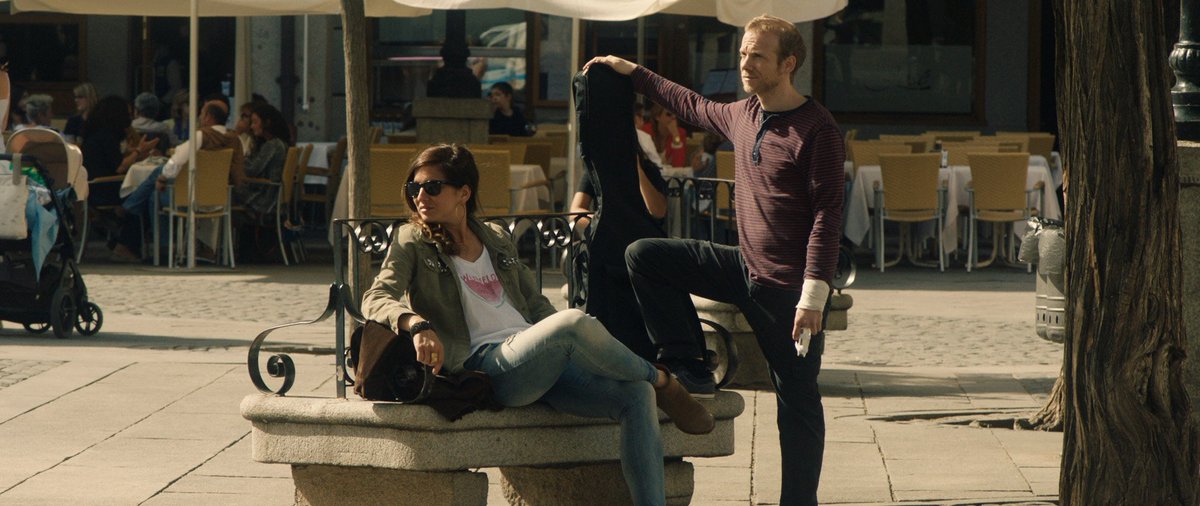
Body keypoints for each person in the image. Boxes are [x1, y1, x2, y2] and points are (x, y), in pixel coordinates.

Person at [361, 143, 714, 506]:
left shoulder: (496, 238)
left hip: (538, 359)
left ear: (463, 192)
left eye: (432, 187)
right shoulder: (413, 241)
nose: (420, 196)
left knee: (636, 395)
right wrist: (415, 324)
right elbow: (375, 297)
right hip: (488, 366)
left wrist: (565, 342)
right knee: (573, 322)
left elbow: (535, 305)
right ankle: (663, 380)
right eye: (414, 187)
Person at [587, 14, 845, 506]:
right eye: (743, 53)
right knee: (645, 255)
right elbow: (690, 103)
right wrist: (633, 71)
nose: (745, 63)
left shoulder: (818, 131)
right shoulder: (742, 114)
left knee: (797, 401)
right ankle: (690, 364)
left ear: (788, 64)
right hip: (741, 267)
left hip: (788, 291)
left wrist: (814, 296)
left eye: (758, 56)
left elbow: (827, 215)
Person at [121, 100, 246, 261]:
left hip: (191, 199)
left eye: (201, 113)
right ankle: (133, 209)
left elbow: (177, 160)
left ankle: (164, 247)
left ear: (208, 117)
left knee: (155, 193)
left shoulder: (202, 135)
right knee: (157, 182)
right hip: (220, 200)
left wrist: (163, 178)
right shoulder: (235, 140)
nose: (199, 117)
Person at [81, 95, 160, 262]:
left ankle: (119, 240)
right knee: (146, 198)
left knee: (139, 196)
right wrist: (138, 151)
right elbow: (119, 167)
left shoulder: (95, 134)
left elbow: (113, 161)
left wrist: (135, 152)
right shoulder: (107, 136)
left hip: (93, 187)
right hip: (104, 188)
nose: (129, 118)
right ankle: (125, 245)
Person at [569, 103, 668, 232]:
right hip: (608, 235)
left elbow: (659, 212)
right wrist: (602, 222)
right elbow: (575, 211)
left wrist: (638, 171)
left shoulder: (649, 170)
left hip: (641, 236)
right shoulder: (597, 169)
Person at [233, 102, 291, 217]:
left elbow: (252, 170)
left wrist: (237, 159)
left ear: (267, 123)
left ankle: (228, 227)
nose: (252, 126)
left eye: (255, 122)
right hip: (273, 194)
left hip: (266, 199)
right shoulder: (279, 143)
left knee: (227, 190)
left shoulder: (272, 145)